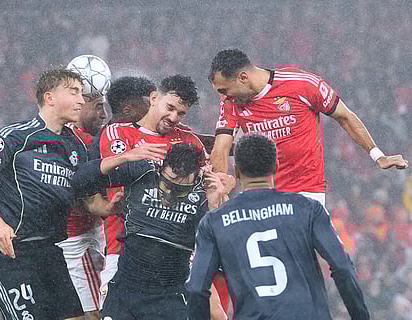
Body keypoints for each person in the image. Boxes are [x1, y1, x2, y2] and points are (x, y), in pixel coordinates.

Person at [186, 134, 371, 320]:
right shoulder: (307, 209)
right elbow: (342, 266)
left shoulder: (214, 222)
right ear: (276, 167)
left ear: (237, 172)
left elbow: (197, 288)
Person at [99, 74, 228, 319]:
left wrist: (222, 181)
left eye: (180, 113)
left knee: (217, 314)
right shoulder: (119, 134)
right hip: (126, 250)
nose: (173, 117)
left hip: (177, 254)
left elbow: (213, 183)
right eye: (170, 108)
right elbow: (115, 173)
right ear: (154, 98)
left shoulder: (189, 141)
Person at [209, 48, 408, 205]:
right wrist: (220, 182)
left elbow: (345, 117)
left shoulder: (302, 84)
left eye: (224, 89)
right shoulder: (231, 103)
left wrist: (378, 155)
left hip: (306, 193)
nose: (223, 96)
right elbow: (221, 147)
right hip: (263, 192)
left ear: (243, 78)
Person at [0, 68, 87, 320]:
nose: (81, 100)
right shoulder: (15, 136)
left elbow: (84, 201)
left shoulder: (76, 147)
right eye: (74, 92)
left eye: (82, 94)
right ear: (49, 97)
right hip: (13, 254)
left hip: (52, 252)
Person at [72, 142, 227, 319]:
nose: (169, 192)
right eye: (166, 183)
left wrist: (215, 205)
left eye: (179, 189)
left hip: (171, 294)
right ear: (162, 168)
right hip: (127, 289)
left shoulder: (206, 190)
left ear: (196, 176)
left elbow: (218, 253)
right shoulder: (144, 170)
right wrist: (123, 158)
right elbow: (80, 181)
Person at [56, 55, 113, 320]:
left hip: (71, 241)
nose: (104, 114)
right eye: (99, 106)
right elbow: (83, 199)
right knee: (93, 315)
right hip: (78, 242)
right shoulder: (81, 142)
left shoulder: (62, 134)